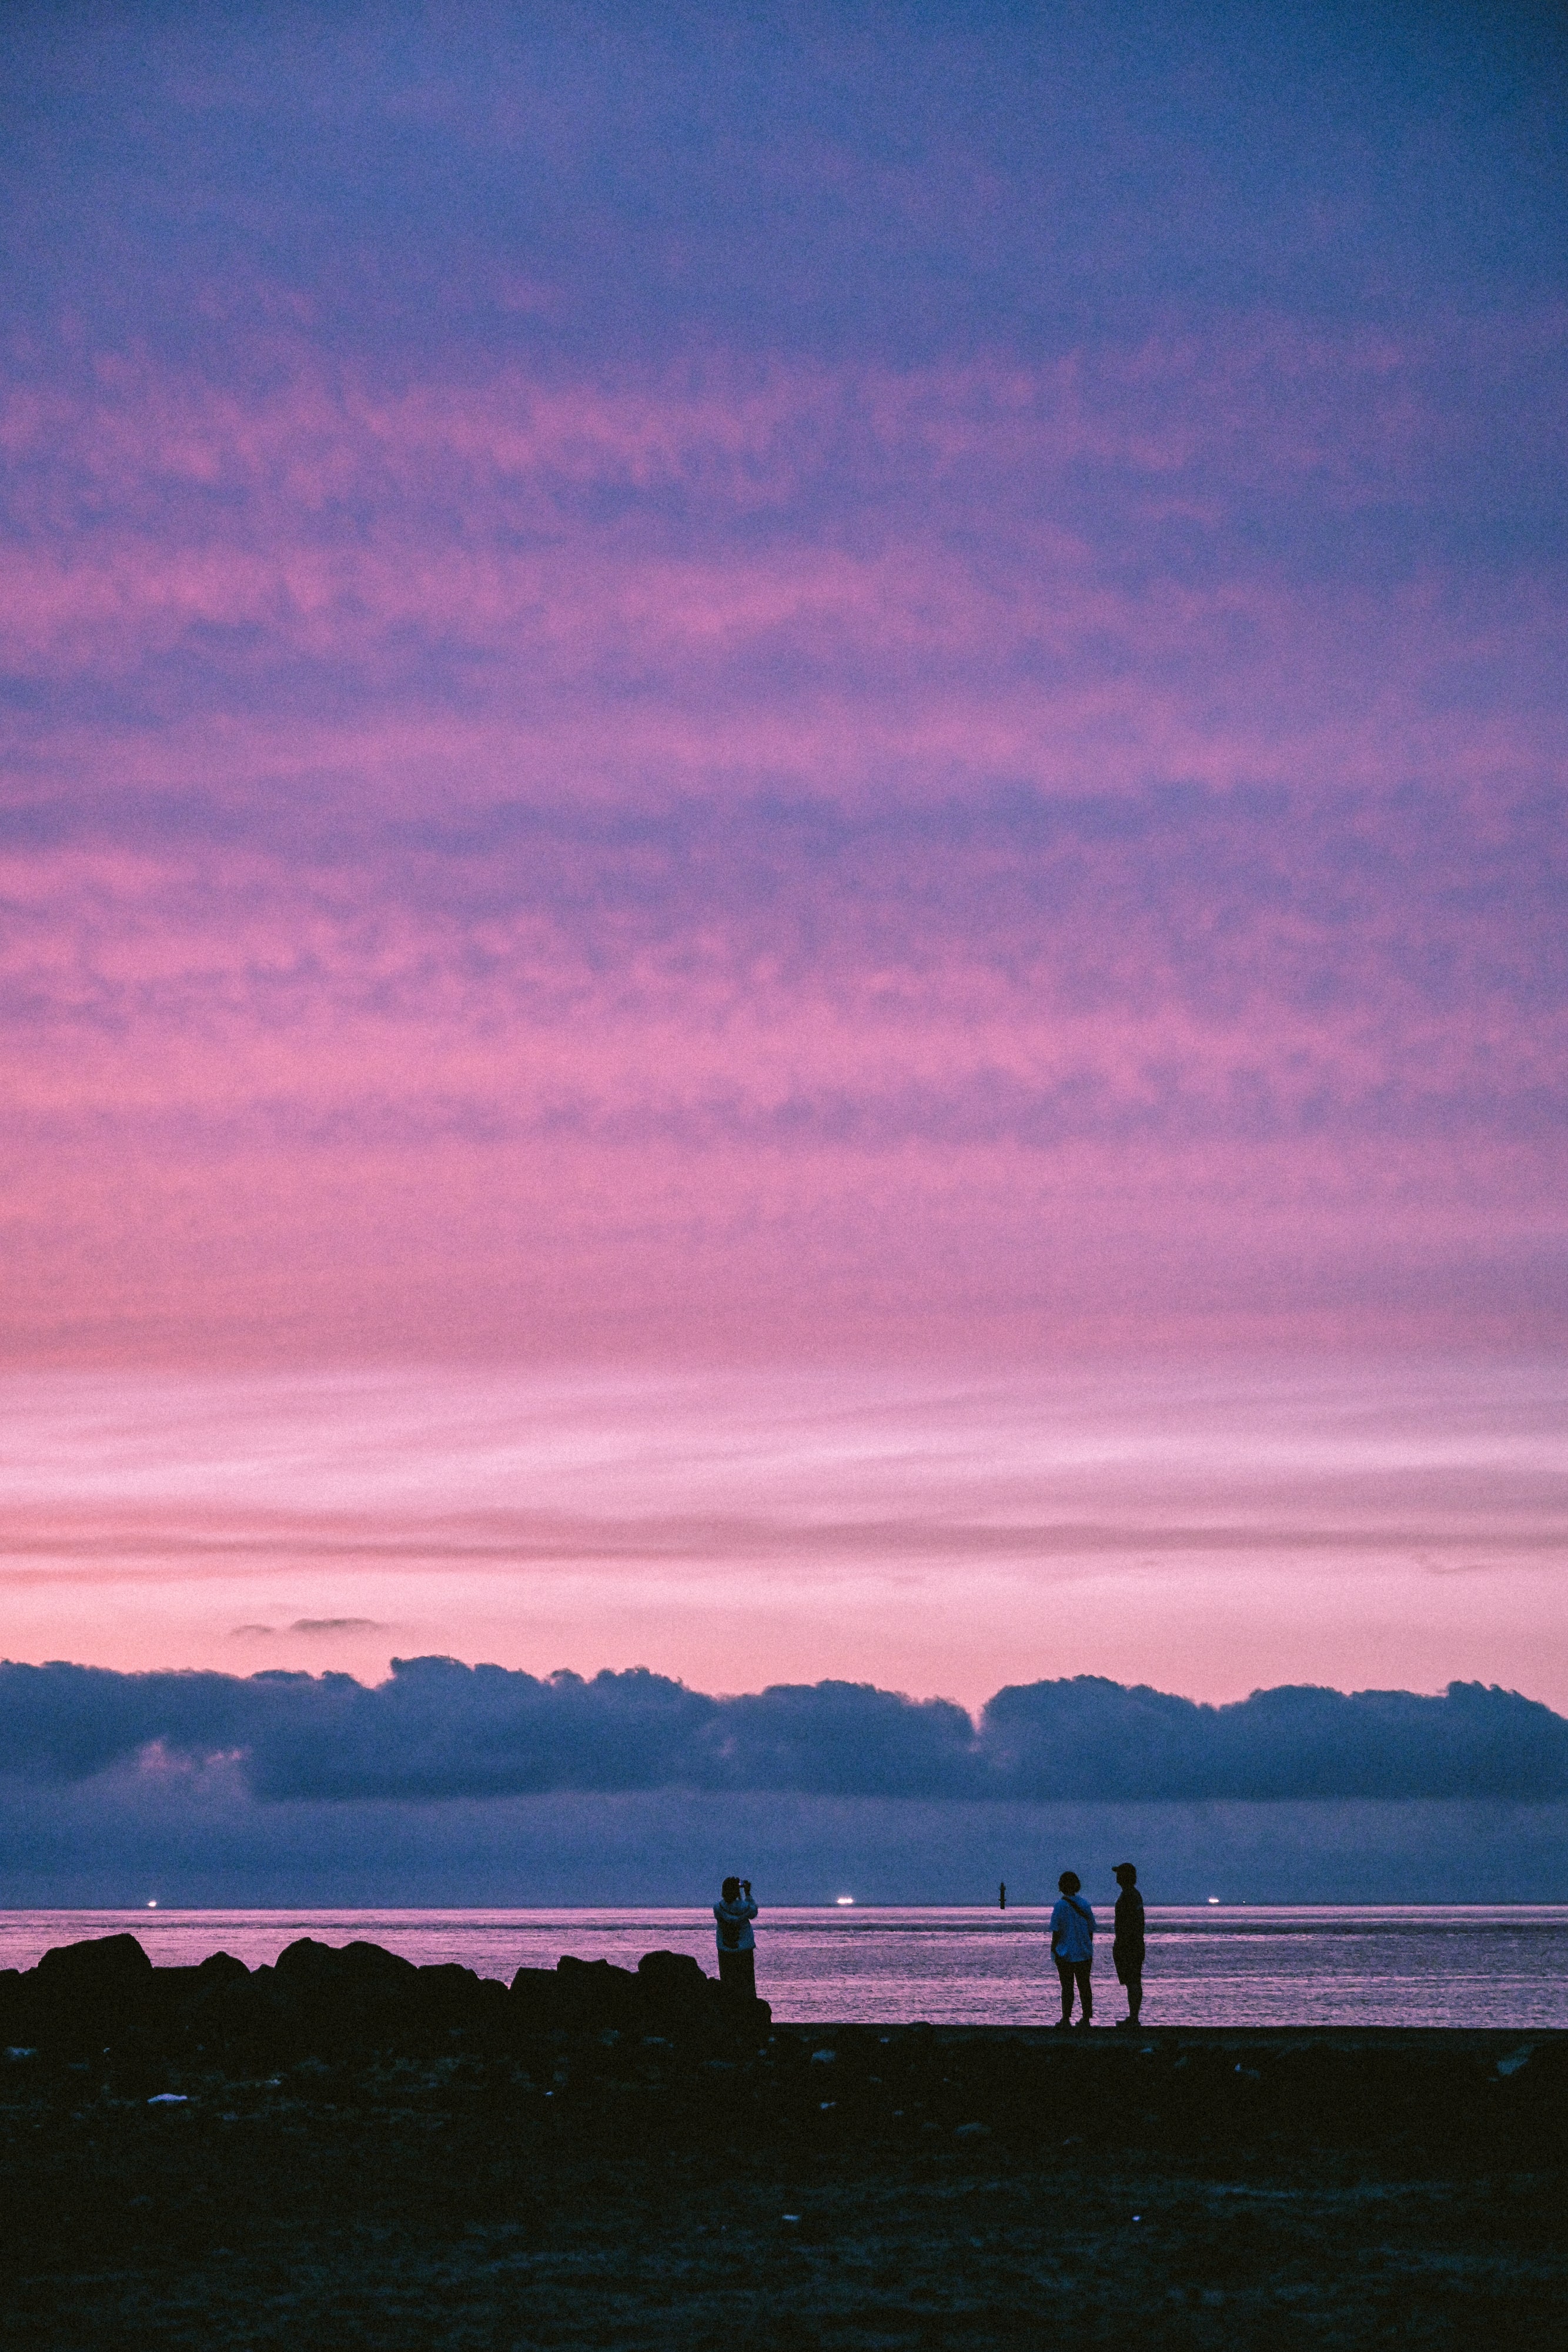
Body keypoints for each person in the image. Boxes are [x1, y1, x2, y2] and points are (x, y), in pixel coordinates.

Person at [1049, 1870, 1095, 2027]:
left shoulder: (1060, 1906)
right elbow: (1091, 1930)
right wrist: (1088, 1946)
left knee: (1067, 1988)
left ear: (1061, 1886)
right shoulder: (1085, 1904)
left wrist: (1053, 1950)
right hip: (1084, 1952)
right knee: (1085, 1986)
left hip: (1065, 1953)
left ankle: (1066, 2019)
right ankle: (1086, 2019)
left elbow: (1056, 1931)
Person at [713, 1875, 759, 2002]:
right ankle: (749, 2005)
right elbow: (754, 1912)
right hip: (745, 1948)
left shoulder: (718, 1908)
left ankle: (729, 2006)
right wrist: (747, 1894)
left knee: (727, 1980)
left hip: (725, 1948)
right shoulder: (745, 1907)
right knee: (746, 1981)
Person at [1112, 1862, 1146, 2028]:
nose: (1117, 1877)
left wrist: (1122, 1944)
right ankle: (1133, 2017)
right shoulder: (1133, 1895)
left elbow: (1129, 1924)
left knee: (1133, 1981)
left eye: (1119, 1874)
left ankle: (1134, 2018)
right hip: (1134, 1944)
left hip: (1130, 1945)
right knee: (1133, 1981)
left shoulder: (1129, 1896)